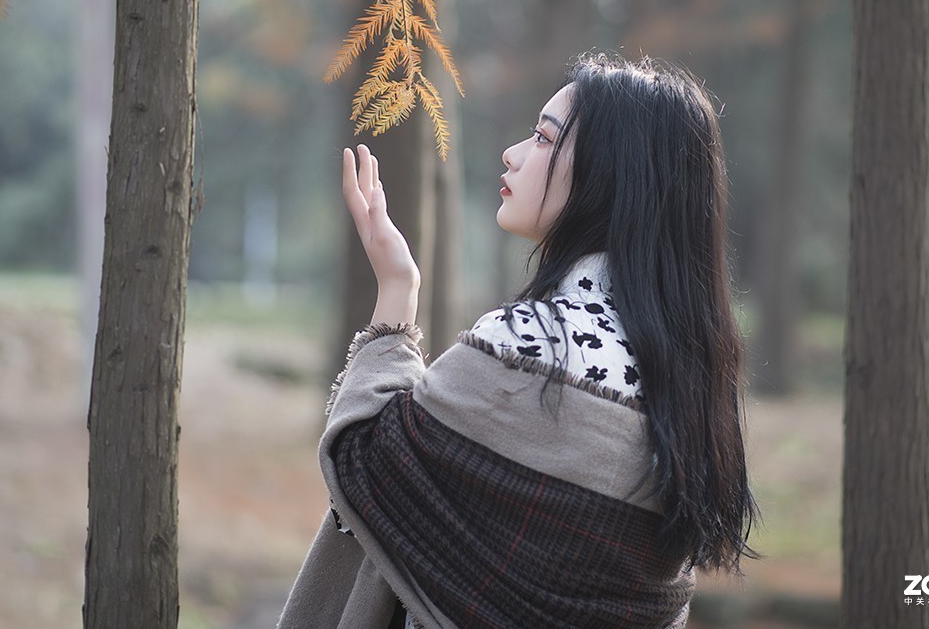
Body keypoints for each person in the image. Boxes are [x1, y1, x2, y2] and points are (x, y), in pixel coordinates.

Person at [278, 53, 757, 629]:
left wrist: (396, 299)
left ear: (608, 174)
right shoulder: (685, 380)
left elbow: (366, 464)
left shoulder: (527, 346)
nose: (513, 153)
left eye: (542, 137)